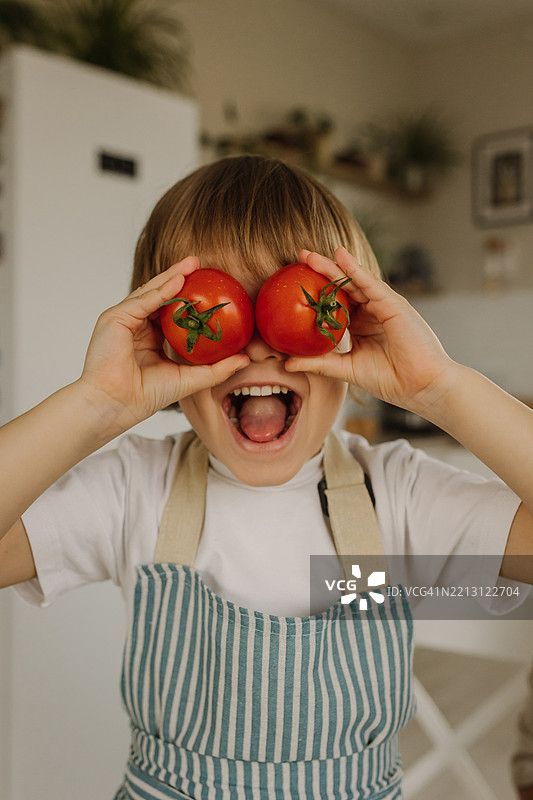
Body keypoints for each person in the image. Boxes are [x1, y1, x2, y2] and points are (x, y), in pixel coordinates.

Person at [1, 154, 532, 800]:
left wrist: (439, 387)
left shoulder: (394, 497)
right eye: (220, 314)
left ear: (348, 330)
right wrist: (94, 405)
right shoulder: (136, 490)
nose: (258, 348)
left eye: (294, 309)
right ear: (165, 339)